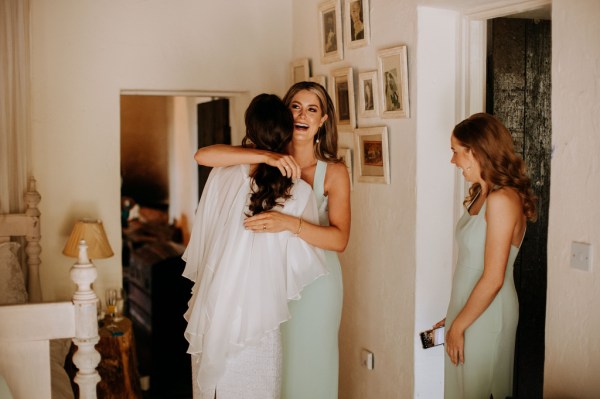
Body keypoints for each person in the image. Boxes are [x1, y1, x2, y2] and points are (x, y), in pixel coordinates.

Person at [194, 81, 351, 399]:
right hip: (265, 282)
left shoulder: (332, 172)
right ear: (284, 112)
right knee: (272, 370)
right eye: (295, 106)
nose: (302, 115)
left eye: (312, 109)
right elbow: (203, 155)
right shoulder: (256, 158)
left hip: (315, 286)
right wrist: (266, 155)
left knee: (310, 367)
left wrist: (289, 223)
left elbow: (340, 239)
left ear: (323, 120)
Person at [435, 113, 537, 399]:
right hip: (469, 310)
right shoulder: (482, 193)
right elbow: (471, 265)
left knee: (478, 391)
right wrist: (453, 316)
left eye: (456, 152)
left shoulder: (502, 200)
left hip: (488, 314)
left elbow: (493, 278)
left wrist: (459, 324)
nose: (453, 161)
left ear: (476, 151)